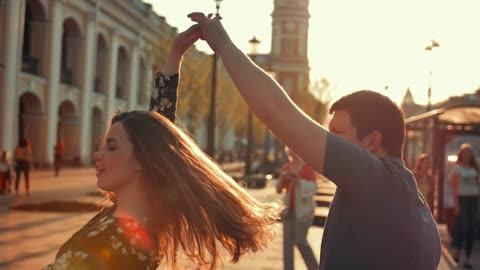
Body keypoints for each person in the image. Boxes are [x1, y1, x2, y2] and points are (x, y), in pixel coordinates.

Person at [189, 13, 441, 269]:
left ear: (372, 140)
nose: (329, 140)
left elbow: (275, 110)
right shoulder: (409, 198)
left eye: (338, 133)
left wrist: (224, 45)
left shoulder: (375, 179)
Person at [43, 25, 280, 270]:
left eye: (111, 147)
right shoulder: (126, 217)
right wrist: (175, 54)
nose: (96, 155)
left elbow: (154, 136)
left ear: (142, 161)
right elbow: (157, 131)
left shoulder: (129, 241)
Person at [277, 148, 319, 270]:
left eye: (294, 149)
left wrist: (297, 181)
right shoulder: (287, 167)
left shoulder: (306, 167)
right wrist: (282, 176)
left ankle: (315, 267)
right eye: (290, 149)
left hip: (304, 211)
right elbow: (279, 190)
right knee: (287, 245)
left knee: (300, 241)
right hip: (289, 210)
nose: (293, 152)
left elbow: (313, 187)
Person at [449, 144, 479, 268]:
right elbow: (454, 188)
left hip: (474, 199)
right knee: (463, 227)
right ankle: (457, 253)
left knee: (472, 228)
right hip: (462, 199)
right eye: (464, 153)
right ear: (461, 155)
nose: (467, 156)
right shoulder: (457, 168)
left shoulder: (475, 168)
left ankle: (467, 258)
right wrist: (456, 204)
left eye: (469, 153)